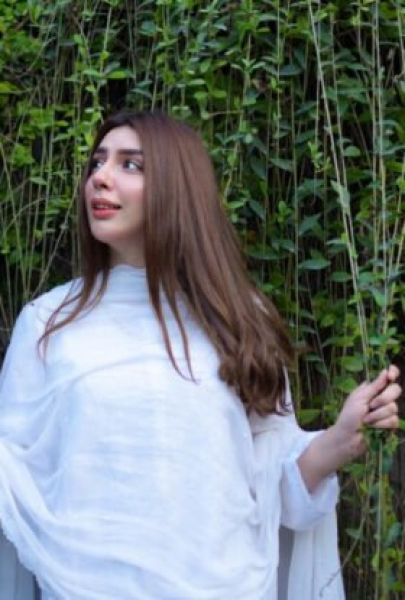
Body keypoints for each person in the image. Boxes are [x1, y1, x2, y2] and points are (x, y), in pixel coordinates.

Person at [0, 111, 400, 600]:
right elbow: (12, 482)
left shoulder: (236, 319)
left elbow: (274, 492)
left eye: (131, 165)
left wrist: (339, 440)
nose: (100, 177)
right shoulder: (49, 324)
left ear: (178, 186)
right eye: (98, 162)